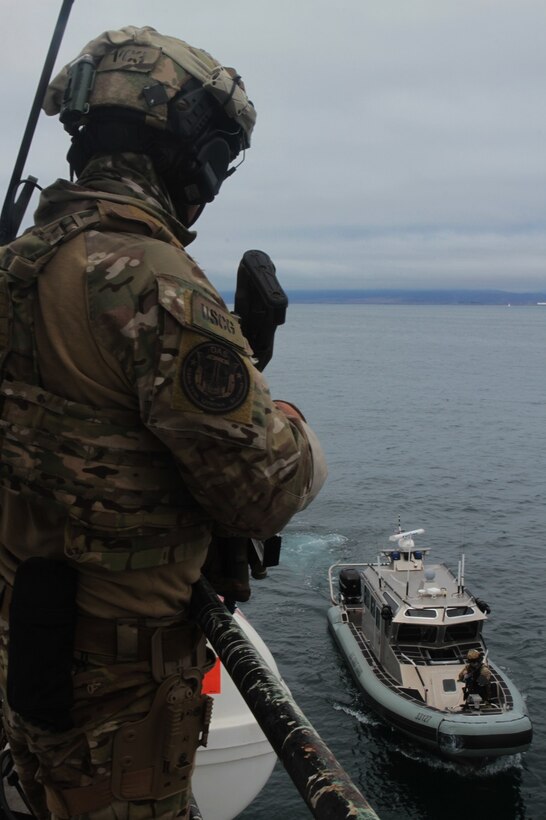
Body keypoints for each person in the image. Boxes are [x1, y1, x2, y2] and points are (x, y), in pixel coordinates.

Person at [0, 26, 327, 820]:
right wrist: (288, 417)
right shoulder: (153, 280)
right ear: (183, 152)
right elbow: (264, 488)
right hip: (120, 681)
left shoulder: (21, 265)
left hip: (31, 642)